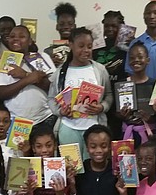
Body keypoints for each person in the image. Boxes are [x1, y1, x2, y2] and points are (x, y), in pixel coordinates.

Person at [48, 27, 113, 160]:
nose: (86, 50)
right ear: (71, 45)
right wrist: (60, 111)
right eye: (81, 46)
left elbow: (109, 94)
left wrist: (102, 107)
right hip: (68, 127)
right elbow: (51, 98)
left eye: (89, 46)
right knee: (72, 167)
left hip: (94, 127)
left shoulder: (99, 70)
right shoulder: (61, 72)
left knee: (93, 165)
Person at [0, 25, 56, 131]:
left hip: (45, 118)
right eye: (12, 36)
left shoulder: (42, 57)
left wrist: (24, 74)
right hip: (16, 121)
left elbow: (53, 88)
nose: (16, 39)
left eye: (22, 36)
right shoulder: (2, 63)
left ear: (30, 41)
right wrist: (27, 79)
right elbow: (1, 94)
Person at [94, 11, 128, 140]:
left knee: (118, 136)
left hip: (121, 97)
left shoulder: (127, 48)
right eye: (107, 26)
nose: (110, 29)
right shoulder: (96, 47)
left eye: (114, 26)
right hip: (101, 98)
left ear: (122, 27)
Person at [118, 41, 156, 146]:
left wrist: (151, 118)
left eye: (140, 57)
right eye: (132, 58)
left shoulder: (155, 84)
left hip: (150, 133)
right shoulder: (122, 85)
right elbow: (115, 112)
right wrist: (122, 115)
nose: (136, 60)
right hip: (128, 133)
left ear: (148, 60)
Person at [125, 1, 156, 79]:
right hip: (141, 85)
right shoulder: (135, 44)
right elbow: (130, 71)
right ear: (143, 16)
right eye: (148, 13)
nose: (152, 16)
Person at [44, 2, 77, 66]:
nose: (66, 27)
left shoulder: (80, 50)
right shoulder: (48, 52)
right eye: (62, 24)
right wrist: (49, 64)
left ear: (75, 26)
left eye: (70, 24)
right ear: (57, 27)